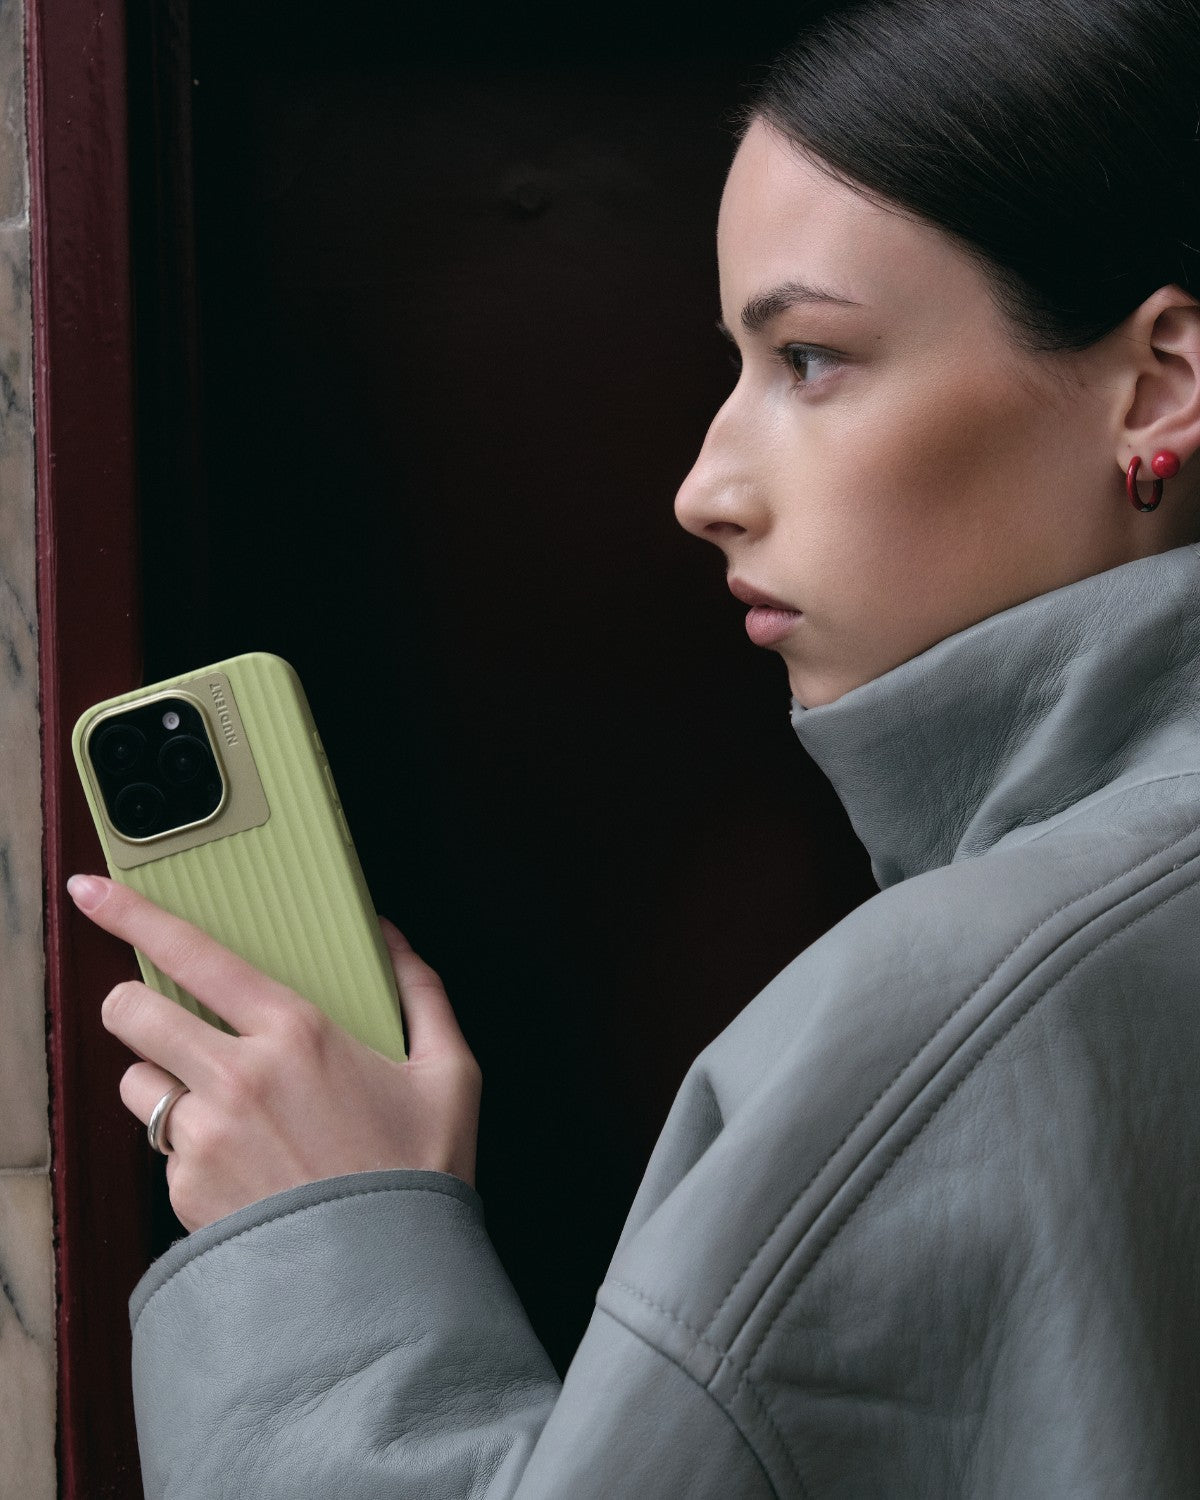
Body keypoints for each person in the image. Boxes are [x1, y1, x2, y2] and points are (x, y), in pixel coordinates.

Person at [67, 1, 1200, 1493]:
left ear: (1157, 386)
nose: (704, 487)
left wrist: (329, 1236)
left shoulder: (942, 1023)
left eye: (810, 358)